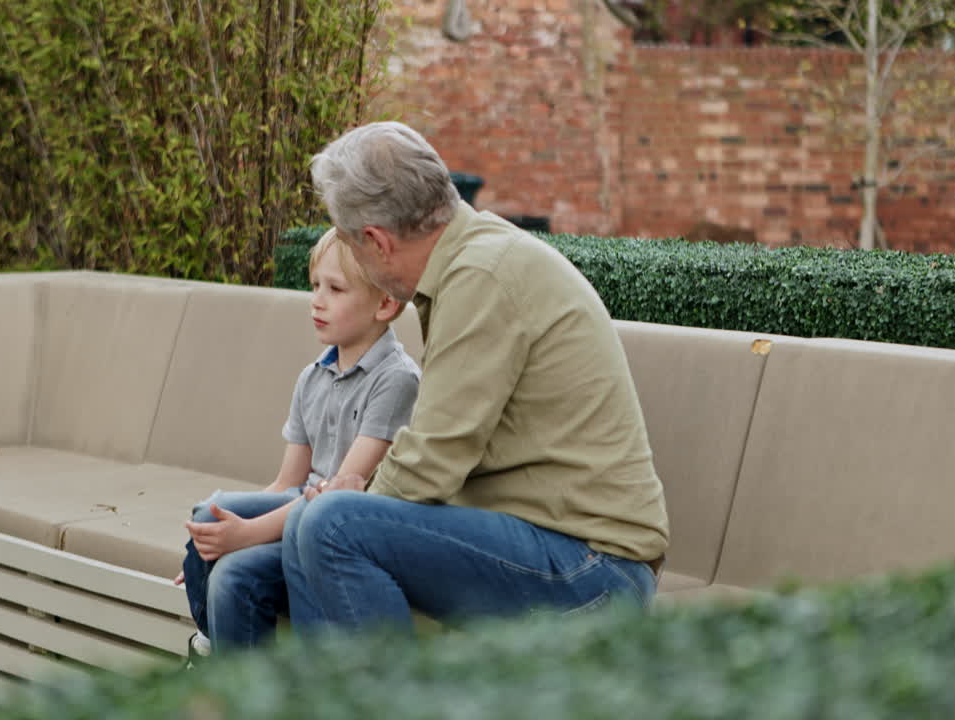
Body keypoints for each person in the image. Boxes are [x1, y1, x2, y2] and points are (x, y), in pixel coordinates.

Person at [281, 121, 669, 633]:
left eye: (350, 246)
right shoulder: (474, 260)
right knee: (312, 523)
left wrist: (354, 500)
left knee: (332, 525)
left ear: (376, 241)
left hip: (594, 572)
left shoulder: (480, 276)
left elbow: (432, 462)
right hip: (541, 546)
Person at [173, 228, 420, 656]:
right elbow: (287, 482)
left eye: (336, 289)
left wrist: (245, 534)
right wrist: (210, 542)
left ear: (385, 304)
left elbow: (339, 490)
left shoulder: (396, 379)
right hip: (298, 509)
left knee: (233, 575)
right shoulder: (313, 376)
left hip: (337, 524)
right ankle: (209, 647)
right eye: (315, 286)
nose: (317, 300)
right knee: (206, 515)